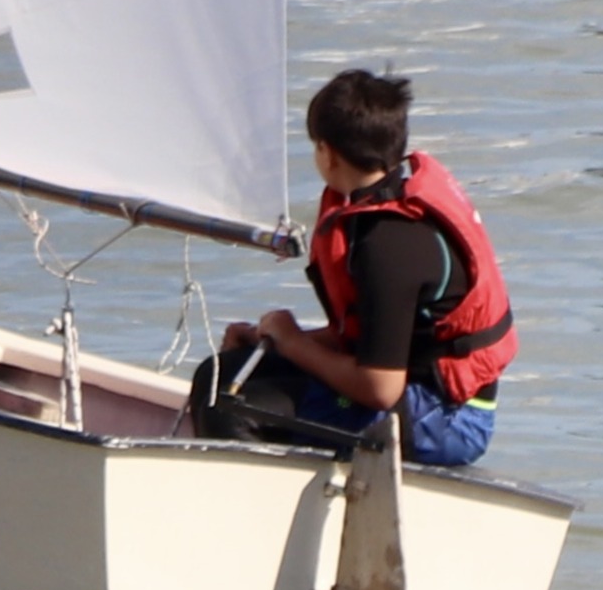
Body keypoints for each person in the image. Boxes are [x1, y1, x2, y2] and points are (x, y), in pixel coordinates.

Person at [204, 67, 518, 470]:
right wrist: (273, 340)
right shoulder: (386, 208)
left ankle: (267, 521)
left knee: (230, 403)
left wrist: (295, 342)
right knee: (223, 372)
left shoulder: (387, 244)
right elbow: (381, 340)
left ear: (328, 154)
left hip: (449, 418)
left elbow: (380, 387)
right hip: (422, 387)